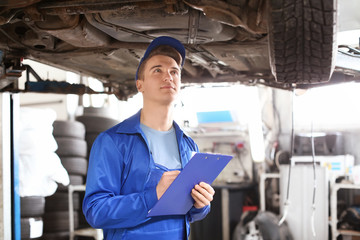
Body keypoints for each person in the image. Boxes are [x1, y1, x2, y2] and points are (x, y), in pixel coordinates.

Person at [82, 36, 215, 240]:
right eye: (157, 70)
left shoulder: (189, 145)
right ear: (140, 85)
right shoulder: (113, 142)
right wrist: (153, 197)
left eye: (174, 71)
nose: (168, 76)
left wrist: (201, 205)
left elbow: (188, 214)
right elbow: (95, 211)